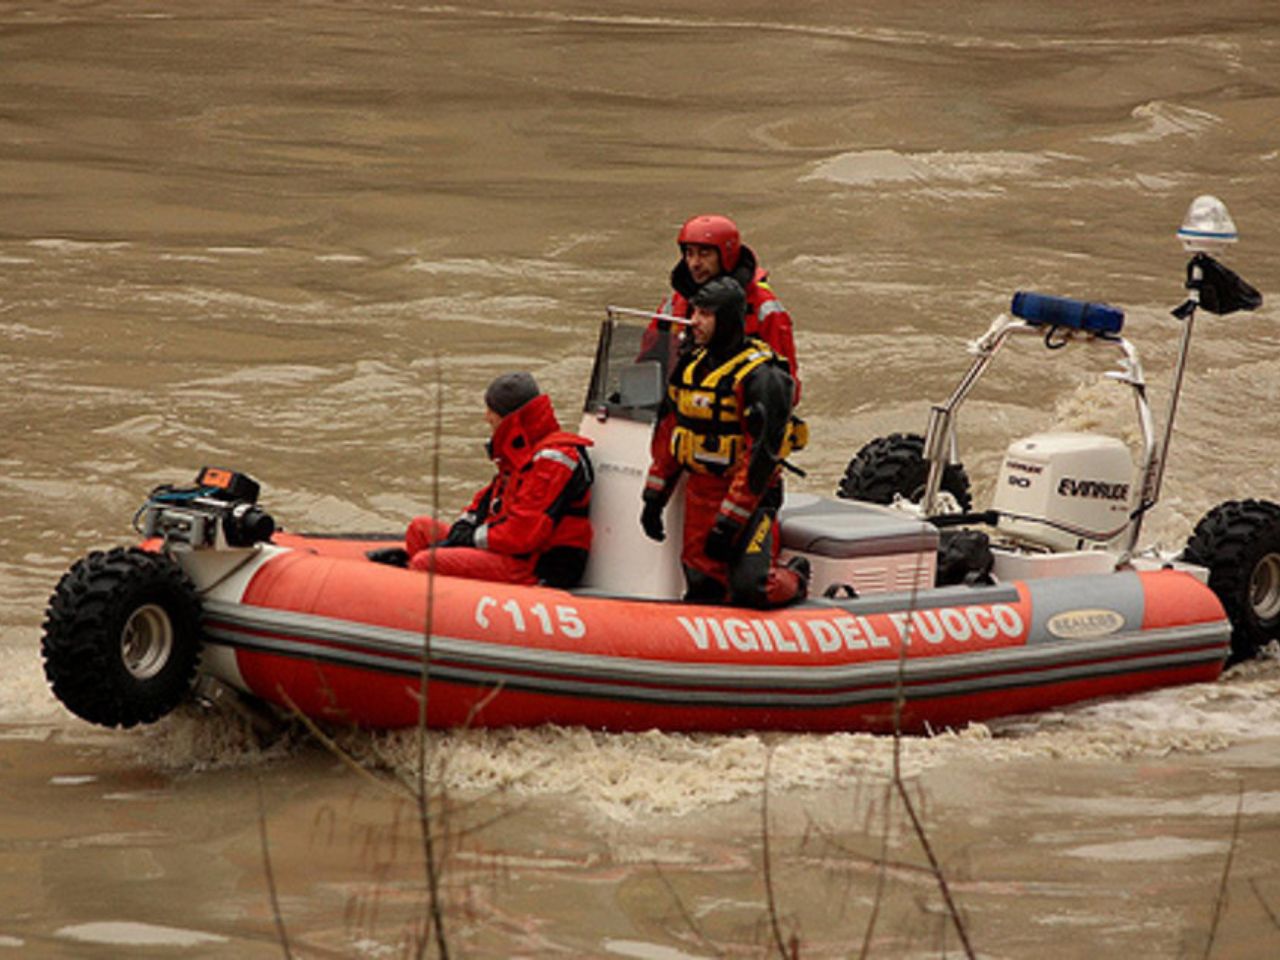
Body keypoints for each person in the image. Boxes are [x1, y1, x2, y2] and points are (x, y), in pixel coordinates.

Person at [639, 276, 809, 608]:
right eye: (694, 312)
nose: (693, 321)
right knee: (702, 586)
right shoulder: (690, 366)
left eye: (705, 314)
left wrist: (730, 521)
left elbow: (761, 457)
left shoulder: (764, 376)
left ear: (728, 319)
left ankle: (796, 577)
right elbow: (671, 436)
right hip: (700, 492)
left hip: (751, 499)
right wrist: (654, 497)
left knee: (752, 587)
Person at [369, 373, 594, 588]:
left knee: (425, 563)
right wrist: (463, 527)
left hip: (532, 563)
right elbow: (486, 502)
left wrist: (470, 539)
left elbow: (523, 533)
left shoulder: (554, 460)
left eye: (491, 410)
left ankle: (418, 602)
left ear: (509, 417)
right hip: (506, 548)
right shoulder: (523, 451)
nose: (486, 416)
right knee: (420, 529)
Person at [640, 214, 800, 399]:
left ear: (726, 256)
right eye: (689, 253)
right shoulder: (676, 302)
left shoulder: (764, 308)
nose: (694, 264)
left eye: (704, 254)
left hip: (733, 416)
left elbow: (786, 387)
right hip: (680, 412)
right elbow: (649, 362)